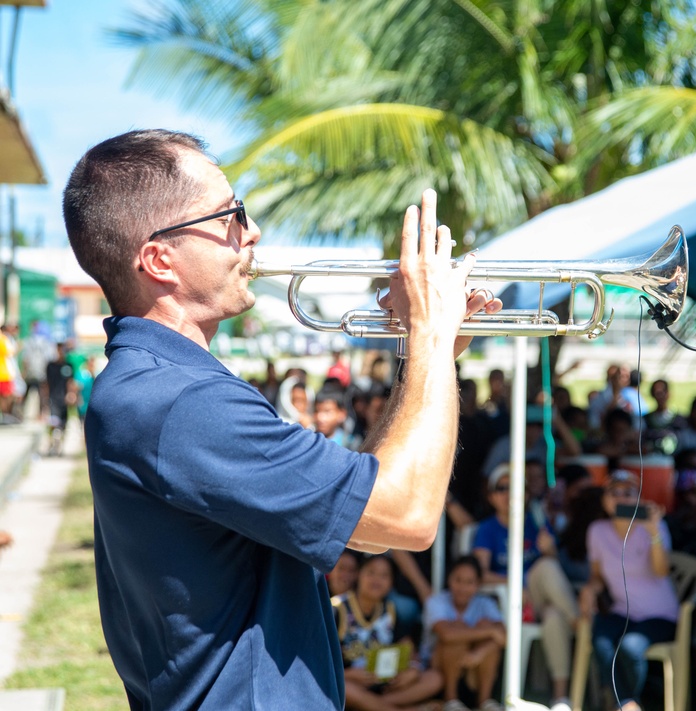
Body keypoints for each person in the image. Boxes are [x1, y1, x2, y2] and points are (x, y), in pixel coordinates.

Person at [63, 129, 500, 710]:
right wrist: (429, 330)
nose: (252, 231)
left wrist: (429, 355)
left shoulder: (152, 386)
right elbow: (410, 515)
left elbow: (362, 517)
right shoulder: (185, 404)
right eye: (229, 216)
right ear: (159, 259)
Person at [472, 465, 578, 710]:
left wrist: (549, 550)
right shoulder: (487, 529)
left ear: (527, 494)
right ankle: (581, 625)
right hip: (509, 602)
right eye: (502, 488)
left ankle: (561, 698)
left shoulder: (536, 522)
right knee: (549, 598)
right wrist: (514, 582)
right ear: (491, 496)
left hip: (539, 595)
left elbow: (556, 571)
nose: (509, 493)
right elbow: (480, 574)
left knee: (549, 576)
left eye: (515, 488)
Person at [578, 470, 677, 711]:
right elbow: (597, 576)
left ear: (638, 498)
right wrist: (589, 590)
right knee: (600, 638)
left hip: (660, 615)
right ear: (605, 499)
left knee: (631, 647)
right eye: (614, 492)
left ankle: (623, 703)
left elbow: (661, 570)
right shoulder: (597, 531)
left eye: (628, 493)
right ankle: (627, 703)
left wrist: (653, 532)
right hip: (623, 611)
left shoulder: (654, 527)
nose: (621, 498)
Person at [333, 555, 443, 711]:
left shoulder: (391, 610)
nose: (377, 579)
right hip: (352, 683)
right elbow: (320, 662)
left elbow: (410, 652)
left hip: (387, 686)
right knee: (344, 688)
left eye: (384, 575)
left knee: (434, 678)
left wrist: (413, 670)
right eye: (371, 572)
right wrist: (348, 675)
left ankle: (376, 705)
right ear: (359, 574)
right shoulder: (337, 608)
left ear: (391, 583)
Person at [423, 556, 505, 711]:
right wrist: (490, 631)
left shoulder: (485, 604)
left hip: (473, 670)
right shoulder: (436, 601)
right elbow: (447, 634)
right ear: (449, 580)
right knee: (458, 631)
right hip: (438, 671)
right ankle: (451, 700)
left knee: (484, 629)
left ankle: (485, 701)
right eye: (458, 580)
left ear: (478, 584)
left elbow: (505, 636)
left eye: (469, 582)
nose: (462, 587)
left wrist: (479, 653)